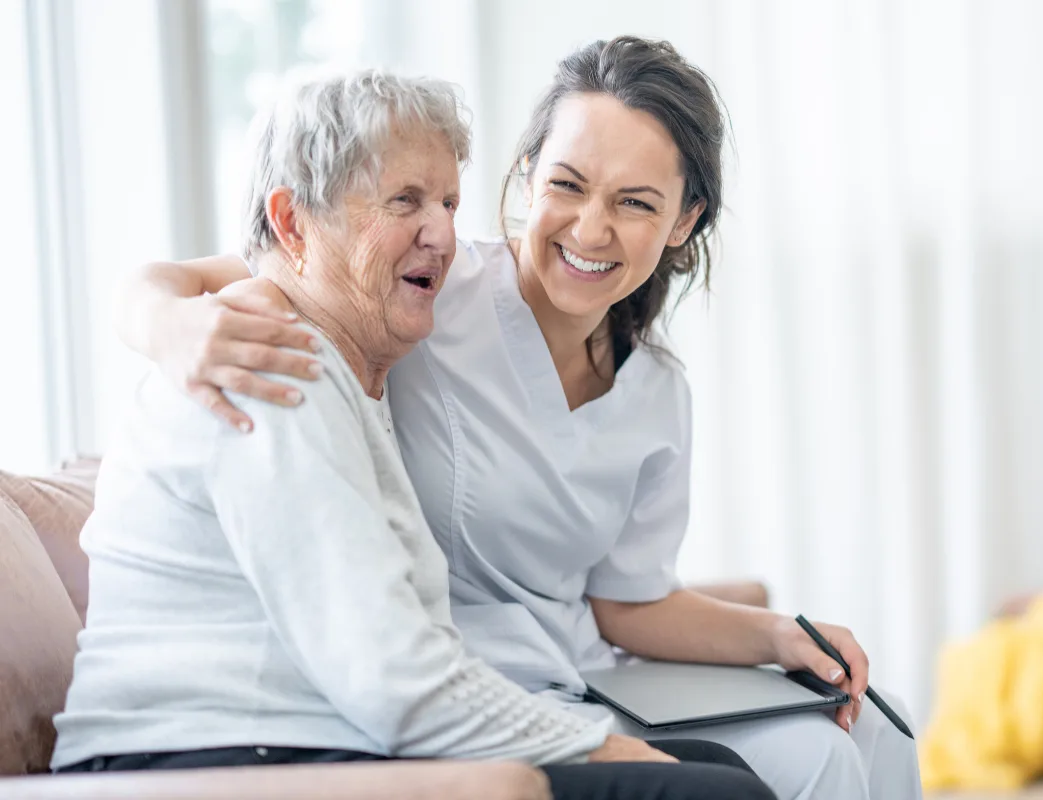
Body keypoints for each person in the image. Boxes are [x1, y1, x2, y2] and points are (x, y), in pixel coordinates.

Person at [117, 38, 921, 800]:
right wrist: (167, 326)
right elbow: (265, 270)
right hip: (452, 691)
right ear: (529, 176)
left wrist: (779, 636)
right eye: (567, 184)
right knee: (773, 771)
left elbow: (625, 600)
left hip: (576, 679)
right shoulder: (421, 288)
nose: (591, 229)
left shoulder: (656, 391)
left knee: (874, 737)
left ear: (682, 223)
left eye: (635, 203)